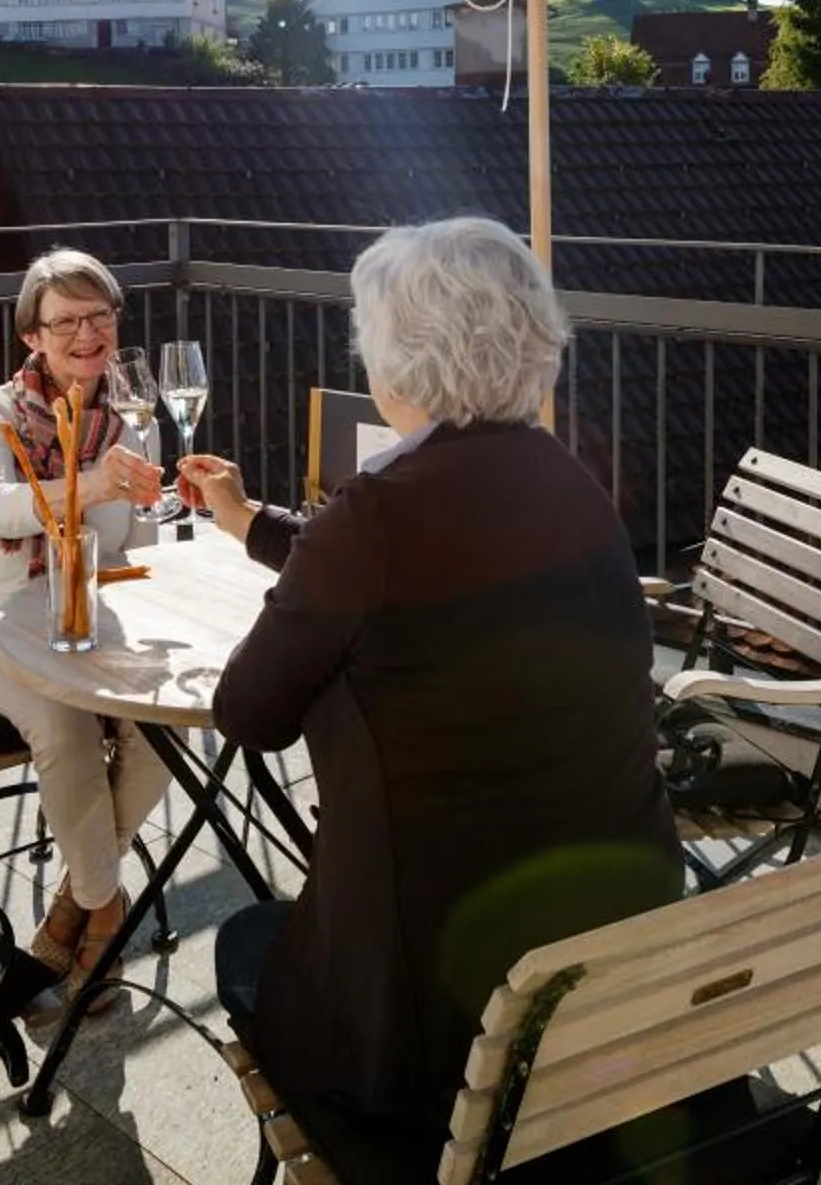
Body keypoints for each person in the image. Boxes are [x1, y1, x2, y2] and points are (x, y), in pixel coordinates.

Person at [179, 217, 680, 1131]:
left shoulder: (374, 519)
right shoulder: (572, 485)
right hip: (616, 972)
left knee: (249, 935)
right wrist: (248, 521)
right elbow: (431, 572)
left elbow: (248, 713)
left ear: (400, 362)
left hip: (441, 1033)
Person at [0, 248, 168, 1001]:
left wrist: (171, 509)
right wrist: (93, 481)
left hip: (89, 629)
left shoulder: (133, 418)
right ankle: (105, 915)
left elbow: (133, 544)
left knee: (169, 728)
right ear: (32, 338)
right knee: (66, 725)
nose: (85, 334)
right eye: (65, 321)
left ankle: (76, 898)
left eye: (99, 317)